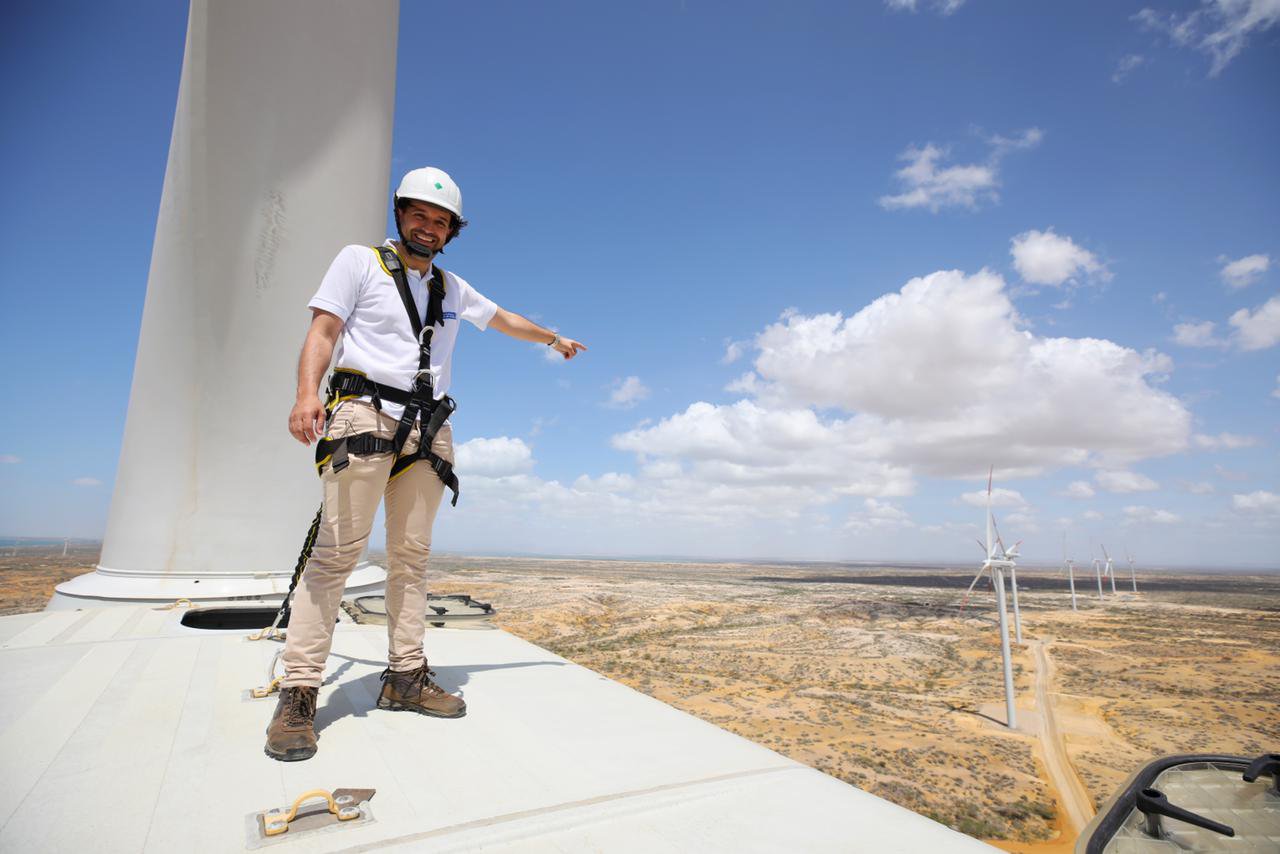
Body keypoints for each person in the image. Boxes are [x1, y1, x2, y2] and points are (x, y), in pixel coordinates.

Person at [265, 167, 585, 761]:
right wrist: (307, 393)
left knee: (411, 558)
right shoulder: (359, 262)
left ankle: (405, 676)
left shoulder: (452, 288)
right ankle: (300, 691)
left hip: (429, 428)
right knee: (336, 553)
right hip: (363, 415)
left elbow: (503, 319)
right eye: (420, 215)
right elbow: (325, 329)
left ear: (451, 232)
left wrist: (551, 339)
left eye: (441, 221)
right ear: (400, 214)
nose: (429, 227)